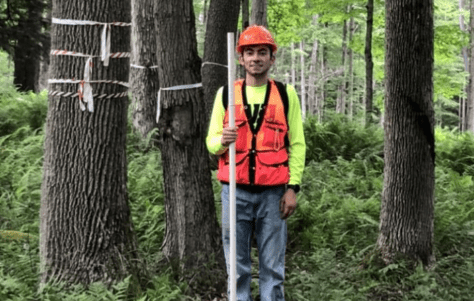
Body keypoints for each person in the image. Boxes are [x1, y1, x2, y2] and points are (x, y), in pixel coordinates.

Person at [206, 25, 306, 301]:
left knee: (272, 267)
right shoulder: (226, 94)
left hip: (273, 194)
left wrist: (292, 188)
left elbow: (297, 144)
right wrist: (222, 140)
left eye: (262, 52)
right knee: (236, 267)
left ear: (272, 59)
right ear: (241, 59)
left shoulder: (286, 95)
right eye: (249, 52)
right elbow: (211, 142)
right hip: (234, 192)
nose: (255, 58)